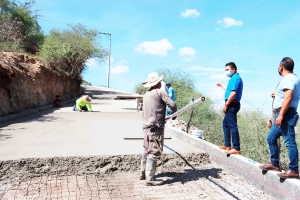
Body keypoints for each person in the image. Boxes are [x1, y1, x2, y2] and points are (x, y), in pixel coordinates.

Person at [259, 57, 300, 179]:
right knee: (271, 138)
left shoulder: (289, 79)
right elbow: (285, 96)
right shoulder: (291, 79)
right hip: (281, 114)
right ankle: (274, 163)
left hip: (285, 115)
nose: (278, 68)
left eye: (278, 66)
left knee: (289, 142)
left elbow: (288, 98)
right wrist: (277, 96)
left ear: (281, 66)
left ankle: (293, 169)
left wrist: (281, 115)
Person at [140, 72, 177, 186]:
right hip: (156, 127)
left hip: (146, 126)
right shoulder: (160, 92)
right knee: (155, 151)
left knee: (147, 149)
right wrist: (174, 113)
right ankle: (150, 179)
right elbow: (172, 104)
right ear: (158, 83)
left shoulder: (146, 94)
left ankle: (142, 173)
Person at [216, 62, 243, 155]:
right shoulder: (232, 79)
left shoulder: (235, 78)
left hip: (232, 104)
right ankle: (227, 145)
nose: (226, 72)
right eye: (225, 70)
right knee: (226, 124)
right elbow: (229, 89)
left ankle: (236, 147)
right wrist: (222, 85)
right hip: (231, 104)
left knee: (232, 125)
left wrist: (226, 104)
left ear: (233, 69)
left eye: (227, 70)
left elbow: (233, 93)